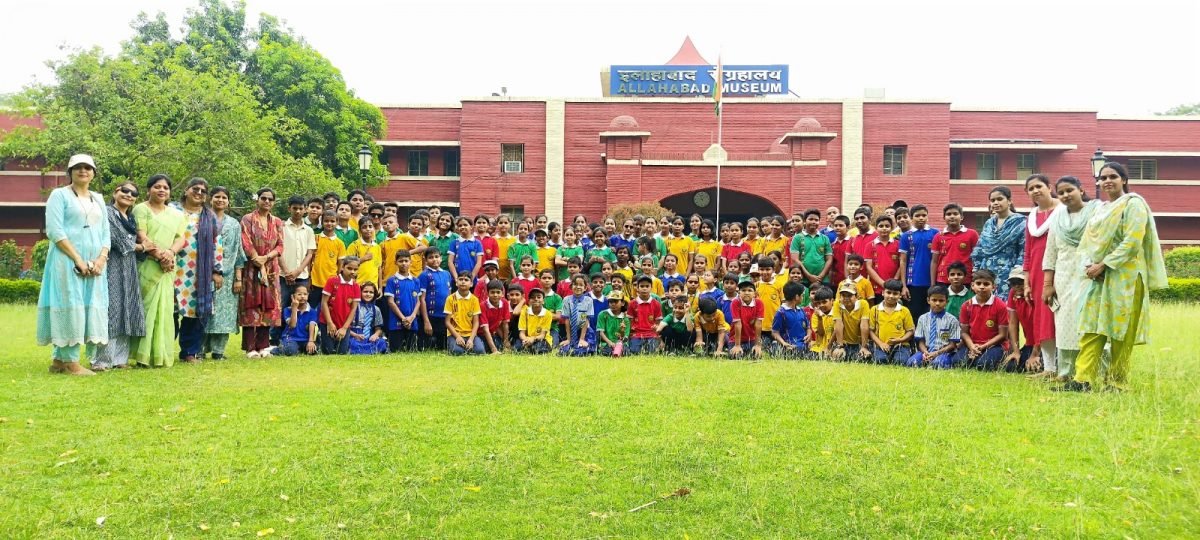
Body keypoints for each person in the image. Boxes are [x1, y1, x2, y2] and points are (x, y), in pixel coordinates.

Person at [1059, 162, 1168, 392]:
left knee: (1121, 331)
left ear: (1124, 180)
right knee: (1091, 327)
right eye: (1103, 177)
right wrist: (1090, 266)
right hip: (1098, 277)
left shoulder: (1134, 204)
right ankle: (1083, 380)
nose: (1107, 181)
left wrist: (1104, 265)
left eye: (1113, 176)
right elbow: (1088, 242)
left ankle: (1117, 382)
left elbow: (1132, 242)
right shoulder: (1101, 209)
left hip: (1126, 277)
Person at [38, 154, 110, 375]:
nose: (83, 170)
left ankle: (59, 361)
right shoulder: (59, 195)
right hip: (66, 260)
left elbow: (105, 233)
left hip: (95, 264)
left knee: (87, 305)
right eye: (77, 167)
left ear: (94, 173)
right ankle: (70, 361)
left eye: (88, 167)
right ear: (70, 172)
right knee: (69, 304)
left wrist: (101, 259)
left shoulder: (98, 199)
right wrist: (78, 259)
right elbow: (55, 231)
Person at [1039, 176, 1100, 381]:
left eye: (1069, 190)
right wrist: (1047, 284)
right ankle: (1065, 372)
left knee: (1090, 322)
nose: (1065, 195)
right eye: (1061, 192)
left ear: (1081, 190)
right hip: (1064, 276)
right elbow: (1050, 252)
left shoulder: (1096, 212)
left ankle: (1094, 372)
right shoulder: (1057, 217)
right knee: (1065, 324)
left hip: (1090, 274)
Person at [130, 175, 185, 367]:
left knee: (164, 310)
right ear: (149, 190)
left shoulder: (177, 214)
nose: (161, 190)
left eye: (165, 188)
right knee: (146, 308)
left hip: (167, 268)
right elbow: (141, 235)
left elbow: (180, 238)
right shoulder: (141, 209)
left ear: (170, 192)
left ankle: (160, 354)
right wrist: (160, 256)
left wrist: (170, 253)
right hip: (147, 264)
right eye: (157, 186)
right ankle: (141, 355)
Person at [91, 181, 145, 371]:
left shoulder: (130, 218)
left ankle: (119, 359)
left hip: (129, 268)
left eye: (133, 193)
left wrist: (140, 246)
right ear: (115, 192)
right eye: (125, 191)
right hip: (111, 265)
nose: (129, 195)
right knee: (112, 311)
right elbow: (117, 240)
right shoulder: (107, 213)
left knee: (127, 309)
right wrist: (142, 246)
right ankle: (102, 360)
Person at [174, 178, 225, 363]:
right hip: (171, 267)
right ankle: (161, 351)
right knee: (168, 311)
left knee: (195, 313)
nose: (199, 193)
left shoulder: (209, 216)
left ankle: (189, 352)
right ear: (186, 190)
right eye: (195, 189)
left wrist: (217, 271)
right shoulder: (172, 210)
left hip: (198, 272)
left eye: (203, 191)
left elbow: (216, 244)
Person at [1022, 174, 1061, 376]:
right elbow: (1028, 252)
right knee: (1043, 318)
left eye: (1039, 186)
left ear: (1049, 187)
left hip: (1061, 270)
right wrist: (1027, 282)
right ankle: (1049, 368)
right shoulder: (1031, 217)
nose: (1035, 191)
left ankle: (1066, 368)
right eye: (1031, 188)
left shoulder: (1063, 210)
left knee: (1061, 318)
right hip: (1037, 274)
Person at [239, 187, 283, 358]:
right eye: (263, 198)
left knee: (269, 306)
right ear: (257, 200)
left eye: (270, 199)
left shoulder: (277, 222)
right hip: (252, 268)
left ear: (274, 202)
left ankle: (263, 346)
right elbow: (245, 241)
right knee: (251, 306)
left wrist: (266, 258)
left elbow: (280, 245)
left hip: (271, 268)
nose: (266, 201)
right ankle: (250, 348)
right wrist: (257, 259)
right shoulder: (248, 219)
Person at [204, 186, 245, 360]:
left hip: (228, 277)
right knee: (206, 311)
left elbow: (238, 251)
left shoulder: (234, 224)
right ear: (210, 199)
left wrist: (238, 278)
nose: (220, 200)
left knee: (225, 314)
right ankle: (199, 349)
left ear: (228, 202)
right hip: (205, 274)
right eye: (217, 197)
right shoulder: (203, 219)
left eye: (224, 197)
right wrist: (213, 271)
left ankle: (218, 351)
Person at [971, 186, 1026, 300]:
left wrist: (1017, 274)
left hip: (1009, 273)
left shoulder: (1020, 222)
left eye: (1000, 199)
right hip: (986, 273)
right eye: (993, 200)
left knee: (1007, 306)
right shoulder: (989, 223)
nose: (996, 203)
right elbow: (980, 248)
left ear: (1009, 201)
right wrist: (977, 270)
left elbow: (1024, 250)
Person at [955, 269, 1009, 370]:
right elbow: (964, 332)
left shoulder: (1000, 306)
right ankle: (975, 356)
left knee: (983, 365)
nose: (982, 287)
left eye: (986, 284)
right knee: (958, 362)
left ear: (993, 287)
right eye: (978, 283)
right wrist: (972, 346)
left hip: (994, 345)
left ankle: (999, 358)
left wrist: (982, 347)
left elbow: (1003, 335)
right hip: (972, 343)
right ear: (972, 285)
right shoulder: (966, 306)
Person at [898, 204, 937, 320]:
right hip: (913, 283)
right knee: (915, 315)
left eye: (924, 215)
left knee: (931, 314)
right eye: (917, 215)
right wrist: (904, 286)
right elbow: (903, 261)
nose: (921, 218)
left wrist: (934, 284)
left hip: (932, 282)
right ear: (911, 218)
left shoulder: (935, 233)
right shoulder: (906, 236)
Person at [906, 285, 960, 369]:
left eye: (941, 300)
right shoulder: (922, 318)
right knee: (912, 363)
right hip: (926, 351)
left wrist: (936, 353)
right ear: (928, 300)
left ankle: (937, 363)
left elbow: (952, 345)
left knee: (938, 364)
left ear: (947, 301)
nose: (937, 303)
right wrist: (926, 352)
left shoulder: (952, 320)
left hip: (944, 352)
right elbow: (921, 341)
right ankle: (926, 361)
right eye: (934, 300)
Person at [384, 250, 424, 352]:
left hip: (412, 322)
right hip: (396, 323)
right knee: (396, 351)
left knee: (412, 351)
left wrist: (412, 317)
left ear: (411, 262)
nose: (404, 263)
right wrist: (403, 319)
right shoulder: (392, 280)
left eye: (406, 261)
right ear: (396, 262)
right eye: (401, 261)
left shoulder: (415, 281)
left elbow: (418, 301)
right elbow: (390, 302)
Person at [321, 256, 362, 355]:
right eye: (349, 268)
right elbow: (324, 303)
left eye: (355, 269)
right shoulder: (332, 281)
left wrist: (344, 328)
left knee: (342, 353)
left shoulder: (356, 286)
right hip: (328, 322)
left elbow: (353, 309)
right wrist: (329, 323)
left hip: (344, 324)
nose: (352, 271)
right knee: (328, 352)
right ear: (343, 267)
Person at [930, 203, 979, 286]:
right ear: (944, 218)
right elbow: (934, 261)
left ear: (962, 217)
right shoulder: (938, 236)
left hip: (966, 279)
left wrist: (976, 278)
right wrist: (933, 284)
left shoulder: (972, 234)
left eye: (955, 214)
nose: (952, 216)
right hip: (943, 279)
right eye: (948, 214)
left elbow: (977, 258)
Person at [867, 280, 914, 365]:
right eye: (888, 292)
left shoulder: (904, 311)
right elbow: (871, 331)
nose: (891, 296)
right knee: (880, 360)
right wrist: (881, 344)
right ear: (883, 293)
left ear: (900, 295)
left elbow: (910, 331)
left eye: (895, 294)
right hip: (881, 345)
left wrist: (900, 340)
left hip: (900, 345)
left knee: (900, 361)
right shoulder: (875, 310)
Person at [790, 208, 833, 288]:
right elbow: (795, 259)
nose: (813, 222)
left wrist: (821, 276)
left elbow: (829, 259)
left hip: (823, 280)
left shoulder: (824, 238)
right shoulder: (797, 238)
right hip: (803, 279)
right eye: (811, 219)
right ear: (804, 221)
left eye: (816, 220)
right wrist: (809, 276)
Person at [311, 211, 346, 309]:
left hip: (331, 282)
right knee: (312, 307)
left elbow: (340, 265)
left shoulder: (340, 243)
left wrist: (337, 281)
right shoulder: (315, 238)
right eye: (326, 221)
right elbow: (310, 259)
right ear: (322, 222)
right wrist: (309, 279)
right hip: (315, 281)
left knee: (329, 308)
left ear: (337, 222)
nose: (329, 223)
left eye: (332, 221)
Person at [419, 250, 452, 351]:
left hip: (444, 316)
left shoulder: (447, 274)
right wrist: (426, 321)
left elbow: (450, 296)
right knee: (428, 346)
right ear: (426, 260)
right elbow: (422, 299)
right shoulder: (424, 275)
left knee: (444, 347)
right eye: (431, 257)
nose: (434, 259)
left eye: (436, 256)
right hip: (430, 317)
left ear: (441, 258)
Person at [865, 215, 901, 304]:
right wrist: (883, 284)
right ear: (876, 228)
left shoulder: (898, 244)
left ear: (892, 228)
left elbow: (902, 264)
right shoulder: (870, 245)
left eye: (887, 226)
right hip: (876, 288)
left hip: (895, 288)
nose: (884, 228)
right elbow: (868, 267)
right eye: (881, 226)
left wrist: (894, 282)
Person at [831, 281, 871, 362]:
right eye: (843, 295)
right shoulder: (837, 304)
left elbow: (864, 326)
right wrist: (840, 346)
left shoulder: (863, 304)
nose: (846, 298)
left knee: (863, 358)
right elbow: (839, 325)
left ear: (856, 296)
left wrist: (864, 347)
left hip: (859, 343)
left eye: (849, 295)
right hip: (844, 343)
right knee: (837, 355)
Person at [275, 284, 319, 356]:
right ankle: (274, 350)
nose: (302, 296)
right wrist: (294, 308)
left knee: (314, 350)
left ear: (308, 295)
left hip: (305, 339)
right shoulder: (287, 310)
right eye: (299, 294)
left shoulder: (312, 311)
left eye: (305, 294)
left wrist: (311, 341)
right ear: (293, 296)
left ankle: (299, 349)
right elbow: (292, 325)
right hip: (291, 339)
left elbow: (312, 325)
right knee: (291, 350)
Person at [559, 273, 596, 356]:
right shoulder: (566, 300)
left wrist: (582, 339)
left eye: (581, 285)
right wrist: (569, 339)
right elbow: (567, 320)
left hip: (585, 331)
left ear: (585, 288)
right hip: (571, 331)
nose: (578, 287)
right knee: (564, 350)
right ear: (571, 286)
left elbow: (586, 320)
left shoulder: (588, 300)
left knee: (582, 350)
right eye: (575, 284)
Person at [347, 283, 389, 355]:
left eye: (371, 292)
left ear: (374, 294)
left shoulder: (376, 309)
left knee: (381, 342)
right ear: (360, 292)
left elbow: (378, 329)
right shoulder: (354, 306)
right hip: (355, 336)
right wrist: (355, 335)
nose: (368, 294)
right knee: (352, 343)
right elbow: (345, 327)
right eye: (365, 292)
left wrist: (375, 335)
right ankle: (369, 350)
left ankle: (364, 350)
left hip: (369, 337)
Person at [772, 282, 810, 359]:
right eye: (802, 295)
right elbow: (775, 332)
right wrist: (784, 343)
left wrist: (809, 334)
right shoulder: (781, 313)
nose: (803, 297)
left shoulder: (801, 311)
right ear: (797, 297)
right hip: (789, 348)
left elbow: (808, 327)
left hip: (803, 346)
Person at [627, 275, 664, 354]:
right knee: (634, 352)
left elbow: (658, 321)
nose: (644, 288)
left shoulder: (656, 304)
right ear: (637, 288)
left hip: (651, 333)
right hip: (636, 334)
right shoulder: (632, 303)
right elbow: (630, 321)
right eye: (642, 286)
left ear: (651, 288)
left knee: (652, 352)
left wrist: (657, 332)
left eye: (647, 286)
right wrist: (630, 334)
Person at [730, 279, 764, 359]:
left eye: (750, 290)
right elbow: (738, 324)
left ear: (755, 294)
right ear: (739, 293)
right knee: (736, 356)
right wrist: (737, 345)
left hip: (751, 338)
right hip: (736, 338)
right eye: (743, 290)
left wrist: (757, 345)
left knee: (756, 356)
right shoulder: (735, 302)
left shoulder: (759, 303)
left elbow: (758, 324)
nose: (746, 293)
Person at [348, 216, 383, 287]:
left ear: (374, 228)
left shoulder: (377, 247)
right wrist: (363, 259)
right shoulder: (354, 245)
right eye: (364, 227)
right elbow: (348, 265)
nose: (368, 229)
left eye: (370, 226)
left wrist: (380, 288)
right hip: (358, 285)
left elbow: (379, 268)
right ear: (360, 230)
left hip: (373, 286)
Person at [517, 288, 553, 354]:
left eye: (539, 297)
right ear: (529, 301)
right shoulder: (524, 312)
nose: (536, 299)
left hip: (541, 339)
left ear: (543, 301)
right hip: (527, 338)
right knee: (517, 347)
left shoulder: (548, 314)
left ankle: (529, 349)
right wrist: (526, 339)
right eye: (533, 297)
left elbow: (542, 335)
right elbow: (521, 333)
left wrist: (533, 339)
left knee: (538, 348)